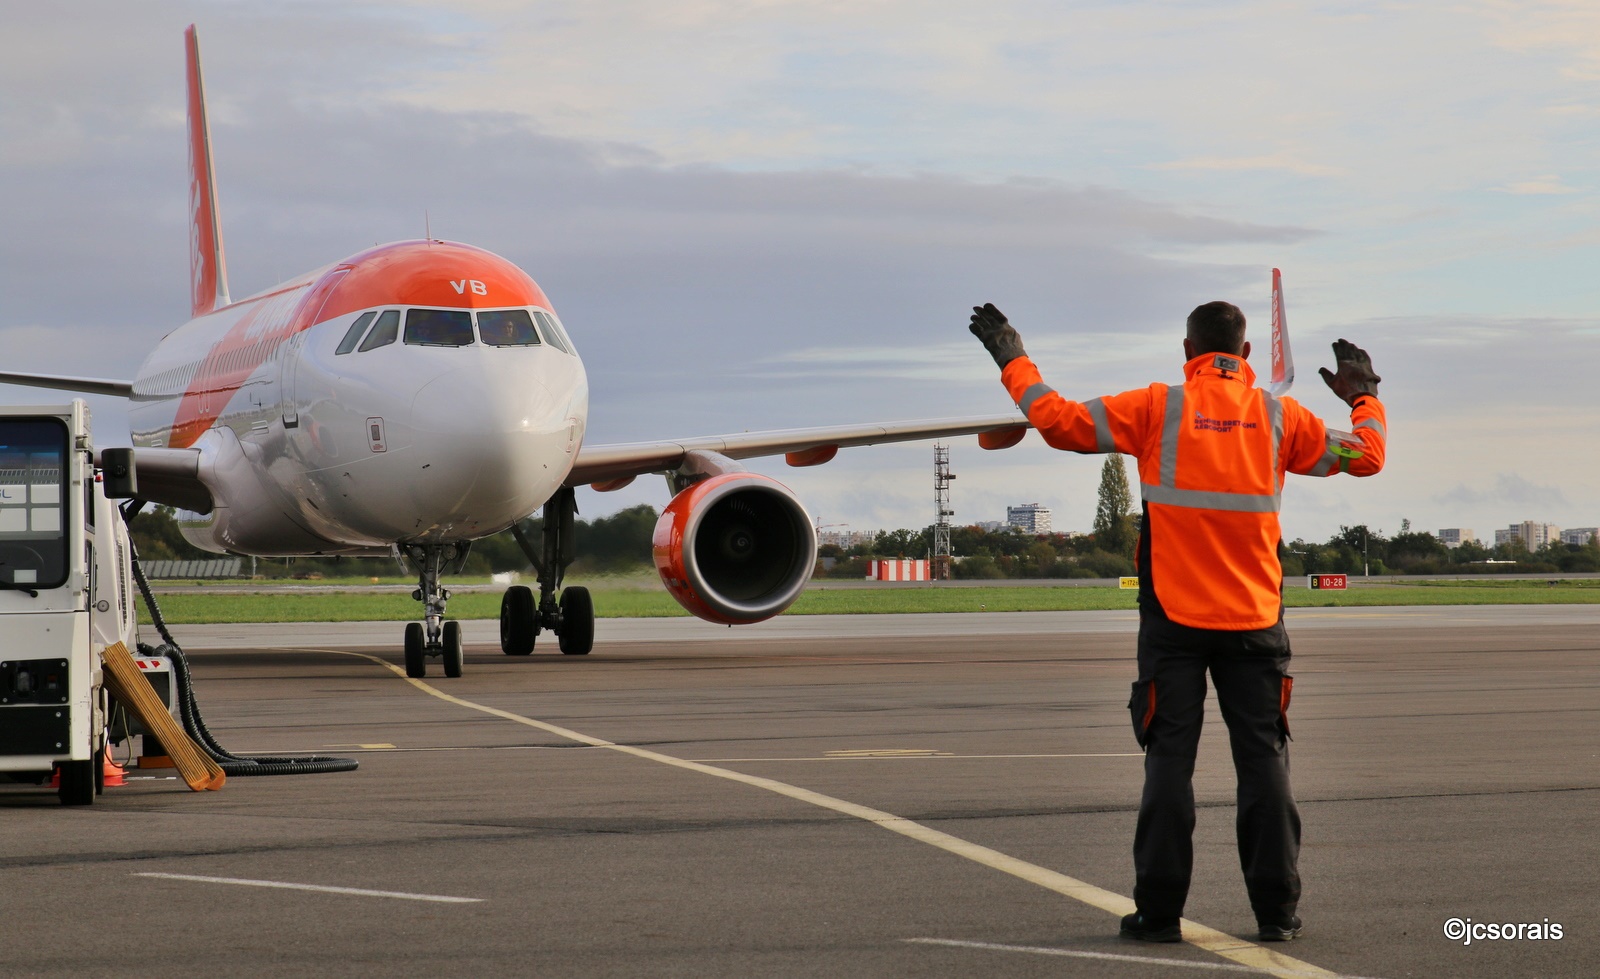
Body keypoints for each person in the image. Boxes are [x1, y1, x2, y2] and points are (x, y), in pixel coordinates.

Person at [968, 299, 1385, 944]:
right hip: (1255, 619)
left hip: (1173, 619)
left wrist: (1012, 357)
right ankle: (1277, 915)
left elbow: (1056, 421)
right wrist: (1364, 398)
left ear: (1187, 353)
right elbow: (1366, 457)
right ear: (1245, 356)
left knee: (1169, 763)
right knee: (1264, 762)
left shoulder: (1157, 407)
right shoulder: (1281, 417)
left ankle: (1159, 913)